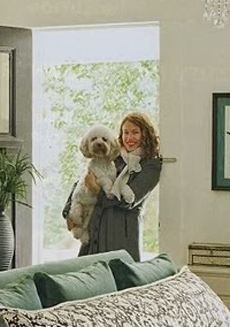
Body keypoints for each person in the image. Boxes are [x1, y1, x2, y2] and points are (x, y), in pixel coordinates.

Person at [63, 112, 162, 261]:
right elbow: (82, 182)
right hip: (95, 230)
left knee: (121, 281)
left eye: (135, 132)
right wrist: (68, 212)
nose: (129, 138)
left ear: (145, 134)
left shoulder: (151, 166)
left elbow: (127, 201)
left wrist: (96, 190)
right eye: (125, 132)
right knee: (88, 278)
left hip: (121, 236)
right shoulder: (112, 156)